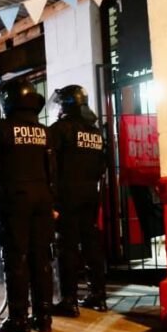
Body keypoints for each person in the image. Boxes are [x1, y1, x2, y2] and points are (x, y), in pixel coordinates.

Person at [0, 79, 55, 332]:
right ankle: (44, 317)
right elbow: (53, 170)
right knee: (41, 258)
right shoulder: (44, 132)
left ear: (9, 102)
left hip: (15, 199)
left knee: (16, 259)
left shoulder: (3, 129)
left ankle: (19, 320)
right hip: (43, 199)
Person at [48, 84, 107, 315]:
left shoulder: (60, 129)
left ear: (67, 104)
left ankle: (69, 300)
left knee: (68, 247)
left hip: (67, 196)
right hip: (91, 194)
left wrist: (52, 198)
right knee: (92, 245)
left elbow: (50, 165)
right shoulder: (95, 132)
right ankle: (98, 296)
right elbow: (102, 165)